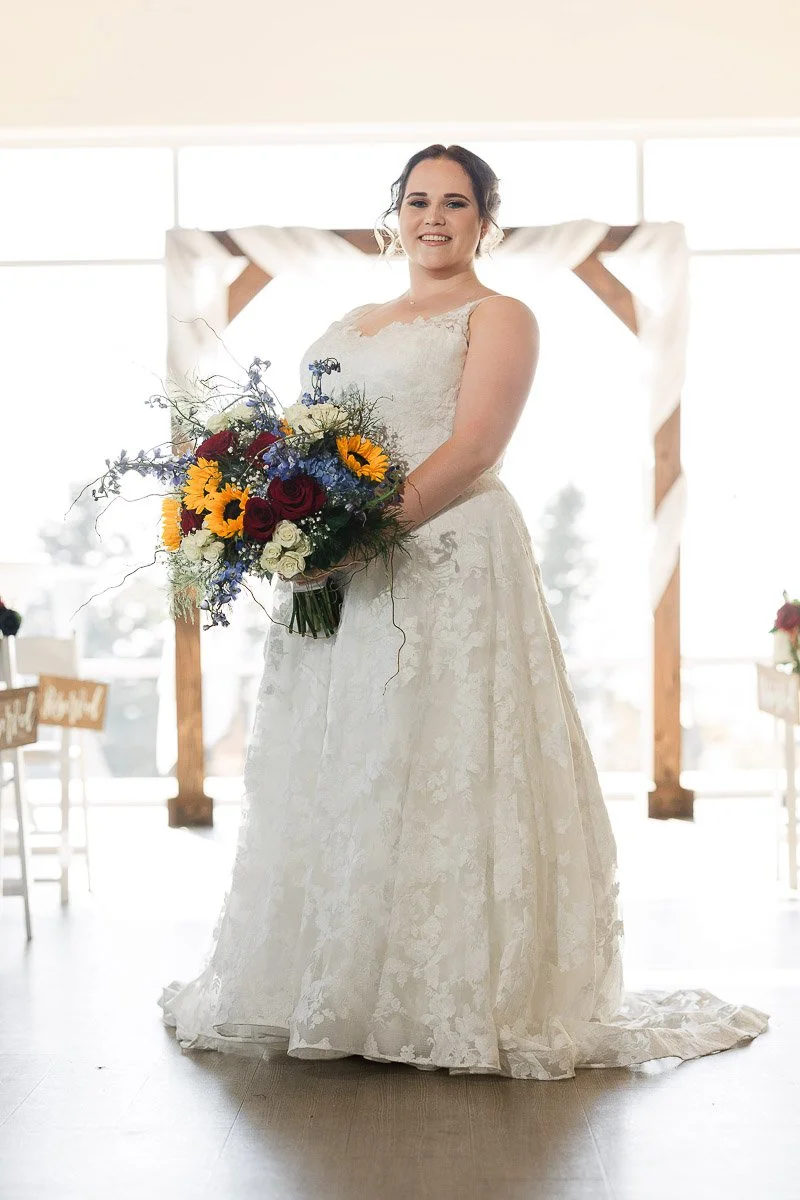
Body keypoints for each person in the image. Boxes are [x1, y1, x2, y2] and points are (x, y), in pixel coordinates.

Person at [159, 144, 769, 1079]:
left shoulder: (502, 315)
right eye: (418, 200)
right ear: (393, 214)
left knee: (442, 757)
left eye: (456, 202)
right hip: (337, 573)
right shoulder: (349, 321)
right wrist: (284, 520)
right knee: (354, 759)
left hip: (447, 557)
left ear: (488, 220)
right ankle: (333, 981)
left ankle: (450, 990)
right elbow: (305, 440)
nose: (434, 217)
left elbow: (475, 445)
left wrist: (359, 538)